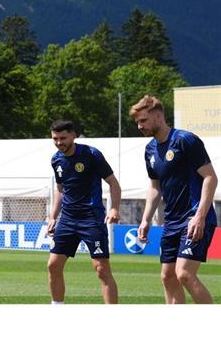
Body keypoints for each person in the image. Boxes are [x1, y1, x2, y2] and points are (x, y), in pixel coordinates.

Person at [131, 94, 216, 304]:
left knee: (184, 274)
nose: (139, 126)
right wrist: (145, 219)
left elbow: (210, 178)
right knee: (167, 276)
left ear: (158, 117)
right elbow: (155, 187)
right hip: (171, 222)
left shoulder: (185, 140)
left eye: (143, 120)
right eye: (137, 122)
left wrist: (199, 216)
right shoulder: (149, 150)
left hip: (194, 217)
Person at [45, 120, 120, 304]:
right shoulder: (56, 160)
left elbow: (113, 183)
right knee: (53, 265)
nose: (59, 142)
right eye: (55, 138)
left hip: (91, 219)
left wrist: (114, 208)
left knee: (101, 269)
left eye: (63, 138)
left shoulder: (91, 154)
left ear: (73, 135)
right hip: (68, 219)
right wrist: (53, 216)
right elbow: (61, 190)